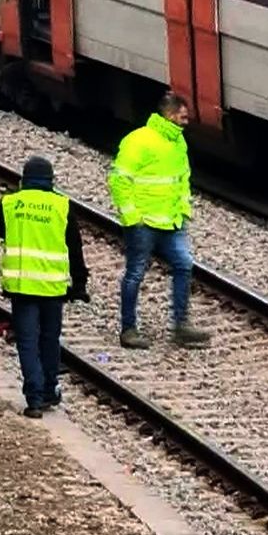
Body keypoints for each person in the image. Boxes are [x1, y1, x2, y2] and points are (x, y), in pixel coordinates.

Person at [109, 91, 212, 349]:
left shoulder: (178, 142)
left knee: (184, 264)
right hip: (143, 222)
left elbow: (181, 179)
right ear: (169, 114)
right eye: (183, 116)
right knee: (135, 273)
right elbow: (119, 179)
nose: (186, 121)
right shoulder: (139, 141)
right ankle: (128, 329)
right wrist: (132, 217)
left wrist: (184, 211)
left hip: (172, 221)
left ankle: (181, 325)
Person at [0, 156, 89, 417]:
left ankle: (33, 400)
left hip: (22, 286)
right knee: (49, 339)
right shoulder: (62, 205)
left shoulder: (10, 203)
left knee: (26, 341)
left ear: (23, 180)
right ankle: (49, 390)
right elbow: (75, 247)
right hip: (52, 288)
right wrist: (80, 284)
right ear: (51, 181)